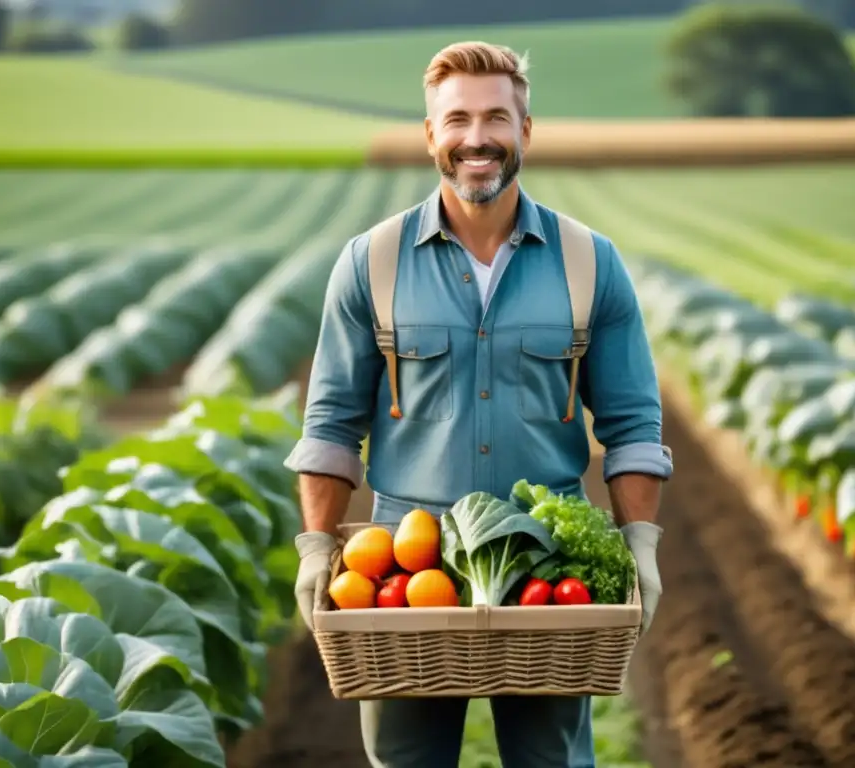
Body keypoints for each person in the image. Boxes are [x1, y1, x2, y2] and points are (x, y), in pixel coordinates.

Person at [284, 40, 673, 768]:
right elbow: (331, 423)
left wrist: (641, 543)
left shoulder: (591, 262)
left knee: (551, 761)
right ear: (431, 134)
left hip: (546, 570)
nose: (477, 138)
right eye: (456, 119)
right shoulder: (372, 262)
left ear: (526, 131)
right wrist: (316, 546)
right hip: (403, 569)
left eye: (497, 117)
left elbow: (632, 424)